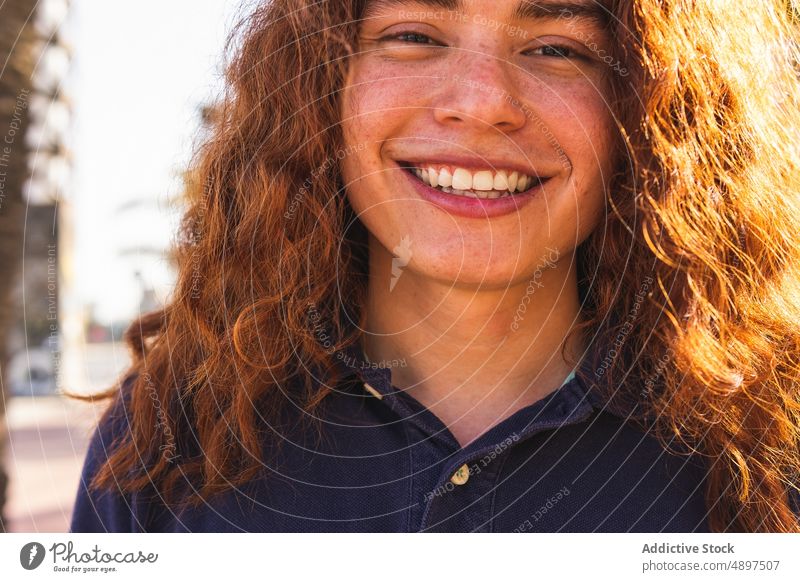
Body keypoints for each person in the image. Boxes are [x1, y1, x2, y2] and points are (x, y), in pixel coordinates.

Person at [69, 0, 800, 532]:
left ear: (650, 110)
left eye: (556, 47)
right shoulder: (171, 439)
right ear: (319, 90)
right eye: (413, 35)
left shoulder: (775, 435)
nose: (482, 104)